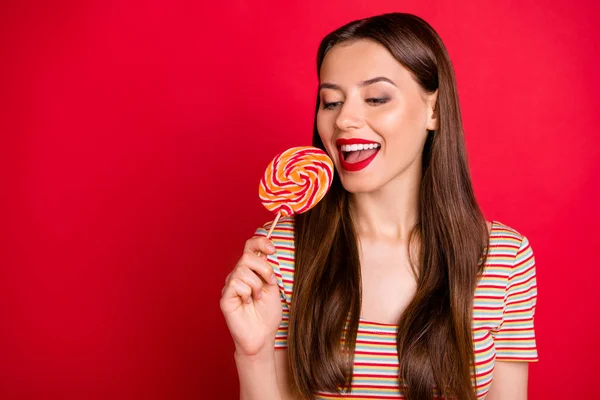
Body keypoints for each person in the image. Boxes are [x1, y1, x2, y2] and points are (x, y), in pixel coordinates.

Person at [220, 12, 538, 400]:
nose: (345, 120)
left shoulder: (504, 259)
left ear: (434, 111)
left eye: (375, 98)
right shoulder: (279, 254)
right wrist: (252, 355)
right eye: (331, 101)